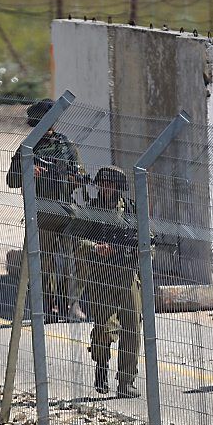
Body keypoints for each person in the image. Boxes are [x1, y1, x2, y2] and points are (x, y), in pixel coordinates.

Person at [6, 98, 89, 323]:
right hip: (41, 213)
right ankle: (47, 303)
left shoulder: (66, 145)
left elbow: (80, 176)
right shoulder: (28, 148)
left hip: (66, 210)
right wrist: (28, 170)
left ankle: (72, 303)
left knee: (76, 258)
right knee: (43, 262)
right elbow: (11, 180)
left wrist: (66, 175)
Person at [74, 166, 142, 398]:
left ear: (118, 187)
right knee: (105, 328)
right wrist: (95, 248)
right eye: (102, 182)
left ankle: (125, 381)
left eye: (111, 183)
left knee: (132, 328)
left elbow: (147, 242)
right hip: (101, 277)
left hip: (126, 276)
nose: (106, 187)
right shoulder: (91, 211)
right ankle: (101, 366)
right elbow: (75, 239)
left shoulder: (131, 210)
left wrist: (135, 251)